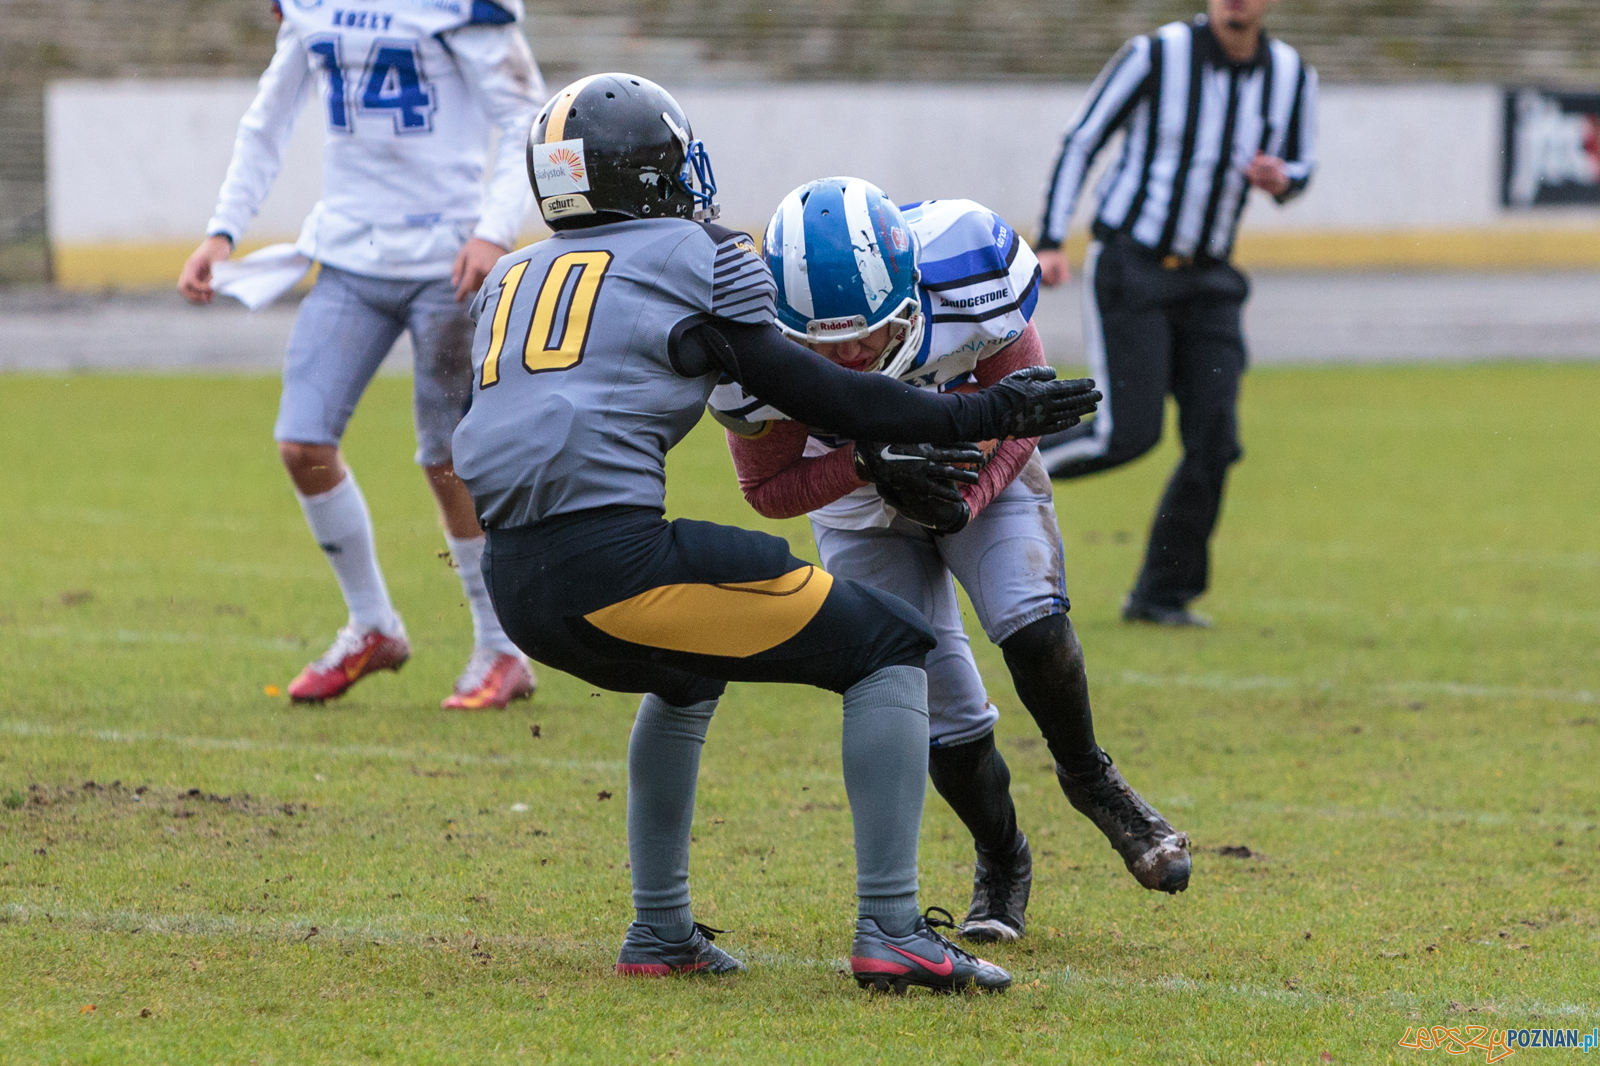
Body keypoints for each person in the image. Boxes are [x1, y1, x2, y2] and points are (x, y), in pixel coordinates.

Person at [450, 74, 1101, 990]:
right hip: (616, 564)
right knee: (891, 648)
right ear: (655, 173)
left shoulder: (512, 274)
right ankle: (894, 930)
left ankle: (662, 932)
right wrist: (985, 409)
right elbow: (821, 394)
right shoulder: (698, 252)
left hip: (513, 575)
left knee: (687, 671)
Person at [710, 179, 1192, 945]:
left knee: (1031, 623)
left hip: (979, 468)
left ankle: (1092, 779)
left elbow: (1025, 414)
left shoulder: (968, 265)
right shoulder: (747, 341)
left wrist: (972, 498)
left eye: (867, 333)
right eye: (823, 348)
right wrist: (865, 464)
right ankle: (1002, 860)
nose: (850, 358)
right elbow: (766, 489)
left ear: (911, 288)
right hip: (857, 508)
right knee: (941, 714)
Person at [176, 0, 544, 708]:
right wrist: (224, 229)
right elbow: (269, 117)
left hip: (447, 258)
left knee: (449, 460)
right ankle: (373, 624)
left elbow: (527, 118)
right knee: (302, 442)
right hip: (349, 259)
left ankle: (500, 649)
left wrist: (495, 229)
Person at [1033, 0, 1318, 627]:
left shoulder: (1292, 73)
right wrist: (1052, 239)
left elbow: (1302, 167)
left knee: (1215, 442)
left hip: (1211, 280)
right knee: (1125, 435)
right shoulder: (1156, 54)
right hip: (1132, 265)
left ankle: (1161, 595)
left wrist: (1281, 179)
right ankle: (981, 476)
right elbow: (1083, 140)